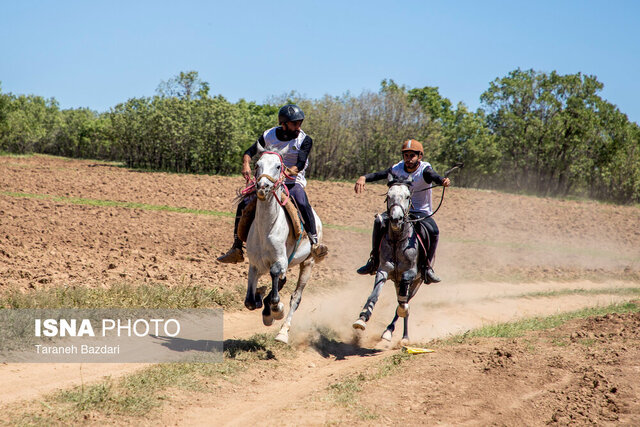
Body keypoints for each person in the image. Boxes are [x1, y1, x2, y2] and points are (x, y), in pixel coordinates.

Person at [217, 104, 328, 263]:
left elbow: (301, 163)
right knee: (244, 204)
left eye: (300, 123)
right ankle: (236, 247)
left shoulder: (305, 140)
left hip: (291, 181)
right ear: (284, 124)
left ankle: (315, 243)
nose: (298, 126)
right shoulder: (269, 135)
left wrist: (286, 173)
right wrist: (246, 164)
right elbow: (249, 152)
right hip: (268, 181)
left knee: (302, 202)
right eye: (294, 123)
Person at [354, 139, 450, 283]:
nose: (409, 159)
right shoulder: (397, 168)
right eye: (406, 155)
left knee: (434, 231)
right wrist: (363, 177)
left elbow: (434, 176)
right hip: (399, 209)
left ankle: (427, 267)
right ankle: (374, 260)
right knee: (378, 221)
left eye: (412, 155)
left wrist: (442, 180)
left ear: (420, 156)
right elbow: (379, 174)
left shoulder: (425, 170)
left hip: (419, 211)